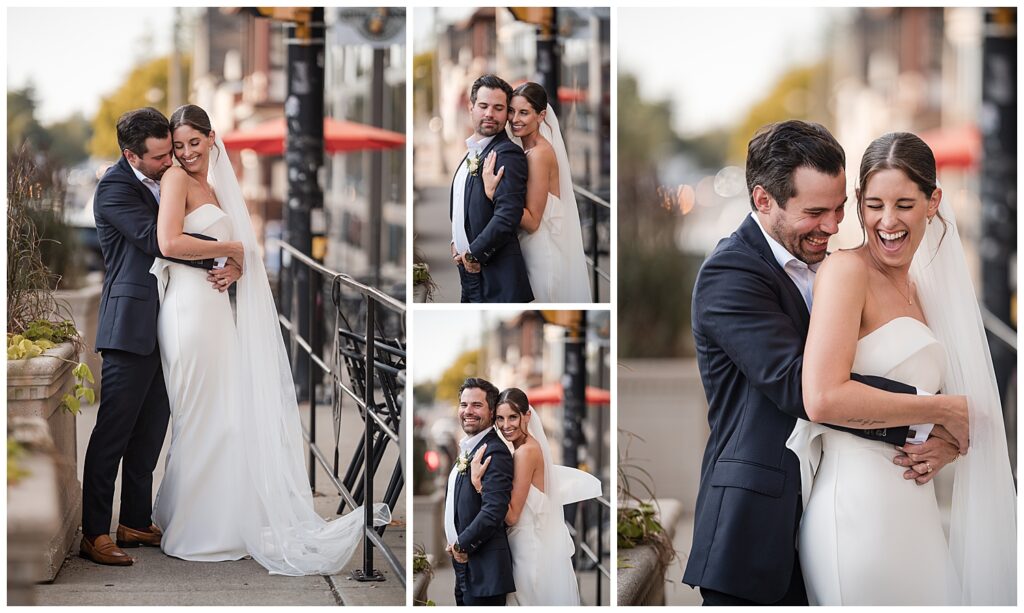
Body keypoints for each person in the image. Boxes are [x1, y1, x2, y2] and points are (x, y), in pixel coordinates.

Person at [683, 120, 969, 605]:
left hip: (841, 512)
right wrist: (934, 414)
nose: (833, 227)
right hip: (755, 530)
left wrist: (943, 441)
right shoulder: (730, 275)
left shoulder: (835, 265)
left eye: (840, 210)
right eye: (815, 212)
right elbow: (806, 388)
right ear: (763, 200)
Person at [150, 104, 389, 574]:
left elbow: (228, 256)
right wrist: (231, 248)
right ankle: (196, 529)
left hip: (215, 308)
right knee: (200, 414)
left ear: (211, 138)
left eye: (194, 143)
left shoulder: (213, 186)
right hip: (188, 312)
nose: (187, 152)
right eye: (178, 146)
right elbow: (169, 244)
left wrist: (235, 262)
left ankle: (215, 519)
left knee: (223, 416)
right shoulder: (175, 181)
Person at [792, 132, 1016, 605]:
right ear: (857, 204)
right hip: (856, 513)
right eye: (873, 205)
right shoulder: (846, 273)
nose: (887, 221)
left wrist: (947, 446)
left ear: (933, 202)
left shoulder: (928, 290)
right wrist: (941, 408)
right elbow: (823, 397)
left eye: (904, 204)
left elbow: (966, 410)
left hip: (915, 510)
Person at [81, 107, 240, 566]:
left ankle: (134, 520)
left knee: (151, 431)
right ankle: (94, 532)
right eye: (158, 157)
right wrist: (225, 252)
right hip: (130, 325)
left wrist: (232, 260)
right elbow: (159, 241)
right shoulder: (113, 189)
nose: (169, 161)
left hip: (171, 322)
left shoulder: (168, 176)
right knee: (114, 430)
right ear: (131, 154)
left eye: (171, 151)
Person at [470, 388, 602, 605]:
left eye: (513, 417)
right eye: (500, 419)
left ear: (527, 416)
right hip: (527, 543)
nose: (506, 425)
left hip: (528, 550)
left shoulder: (525, 453)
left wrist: (480, 485)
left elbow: (512, 516)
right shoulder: (523, 448)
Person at [481, 82, 592, 302]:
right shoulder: (526, 151)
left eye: (524, 112)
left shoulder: (539, 155)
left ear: (541, 116)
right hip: (530, 251)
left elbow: (532, 222)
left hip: (542, 256)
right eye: (511, 111)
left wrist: (495, 193)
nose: (514, 119)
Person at [449, 74, 534, 303]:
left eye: (498, 108)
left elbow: (509, 214)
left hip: (495, 276)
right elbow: (463, 201)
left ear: (507, 114)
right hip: (469, 273)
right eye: (483, 106)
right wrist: (455, 240)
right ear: (471, 108)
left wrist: (473, 253)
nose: (489, 114)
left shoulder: (507, 154)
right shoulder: (473, 151)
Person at [444, 378, 516, 605]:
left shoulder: (495, 452)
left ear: (492, 411)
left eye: (477, 405)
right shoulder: (470, 446)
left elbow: (494, 510)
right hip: (466, 563)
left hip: (483, 568)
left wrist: (460, 544)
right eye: (464, 405)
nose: (468, 411)